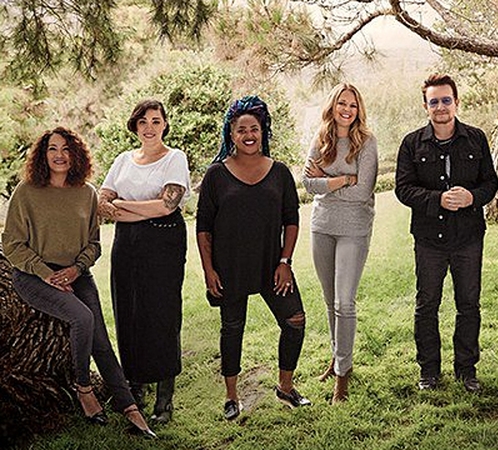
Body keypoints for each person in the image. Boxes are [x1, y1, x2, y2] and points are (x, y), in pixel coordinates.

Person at [2, 127, 156, 438]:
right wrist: (46, 273)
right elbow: (13, 245)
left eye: (66, 149)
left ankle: (129, 407)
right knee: (81, 317)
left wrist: (75, 269)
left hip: (76, 273)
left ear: (76, 155)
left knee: (100, 338)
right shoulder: (27, 191)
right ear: (43, 156)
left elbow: (94, 244)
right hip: (33, 275)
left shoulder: (87, 192)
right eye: (52, 149)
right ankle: (83, 386)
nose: (59, 155)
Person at [197, 95, 310, 420]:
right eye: (241, 129)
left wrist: (285, 262)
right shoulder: (217, 175)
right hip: (229, 268)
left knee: (295, 321)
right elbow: (203, 228)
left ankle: (285, 388)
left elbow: (292, 219)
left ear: (263, 132)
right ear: (230, 134)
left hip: (272, 266)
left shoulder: (280, 172)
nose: (249, 134)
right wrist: (209, 271)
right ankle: (232, 397)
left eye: (255, 128)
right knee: (232, 329)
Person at [395, 74, 498, 392]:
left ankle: (466, 370)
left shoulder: (476, 138)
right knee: (427, 304)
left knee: (468, 304)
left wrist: (472, 197)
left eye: (446, 100)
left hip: (469, 237)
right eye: (434, 101)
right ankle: (429, 371)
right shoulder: (412, 143)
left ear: (456, 102)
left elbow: (490, 184)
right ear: (426, 106)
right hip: (429, 240)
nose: (440, 107)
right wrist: (436, 199)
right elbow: (403, 189)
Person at [97, 100, 190, 424]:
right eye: (143, 122)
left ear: (165, 124)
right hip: (127, 243)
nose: (149, 127)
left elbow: (168, 205)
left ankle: (164, 402)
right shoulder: (123, 160)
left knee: (162, 315)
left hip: (163, 240)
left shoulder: (175, 158)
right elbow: (101, 202)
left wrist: (124, 206)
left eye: (155, 120)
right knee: (128, 311)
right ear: (135, 127)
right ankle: (134, 389)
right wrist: (134, 207)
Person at [302, 83, 378, 403]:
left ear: (359, 109)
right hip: (322, 227)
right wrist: (345, 179)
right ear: (333, 106)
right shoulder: (321, 138)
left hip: (354, 229)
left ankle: (343, 376)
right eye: (341, 104)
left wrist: (329, 181)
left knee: (344, 302)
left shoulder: (367, 143)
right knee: (330, 299)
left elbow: (363, 192)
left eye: (353, 105)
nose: (347, 110)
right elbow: (307, 183)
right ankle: (336, 360)